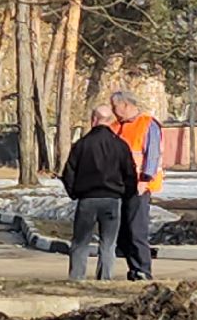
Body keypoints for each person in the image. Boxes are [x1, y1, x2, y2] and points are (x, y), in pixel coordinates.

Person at [59, 105, 136, 281]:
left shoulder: (81, 145)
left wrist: (74, 193)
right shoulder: (120, 146)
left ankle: (77, 278)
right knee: (108, 243)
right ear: (110, 121)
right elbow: (130, 174)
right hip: (112, 199)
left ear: (93, 120)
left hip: (87, 200)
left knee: (80, 242)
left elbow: (69, 173)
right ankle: (104, 279)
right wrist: (126, 195)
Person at [111, 89, 164, 281]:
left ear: (125, 105)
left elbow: (152, 154)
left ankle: (143, 270)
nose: (113, 110)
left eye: (114, 106)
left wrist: (145, 180)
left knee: (136, 230)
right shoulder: (115, 127)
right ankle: (133, 269)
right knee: (123, 232)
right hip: (119, 186)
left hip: (139, 187)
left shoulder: (148, 124)